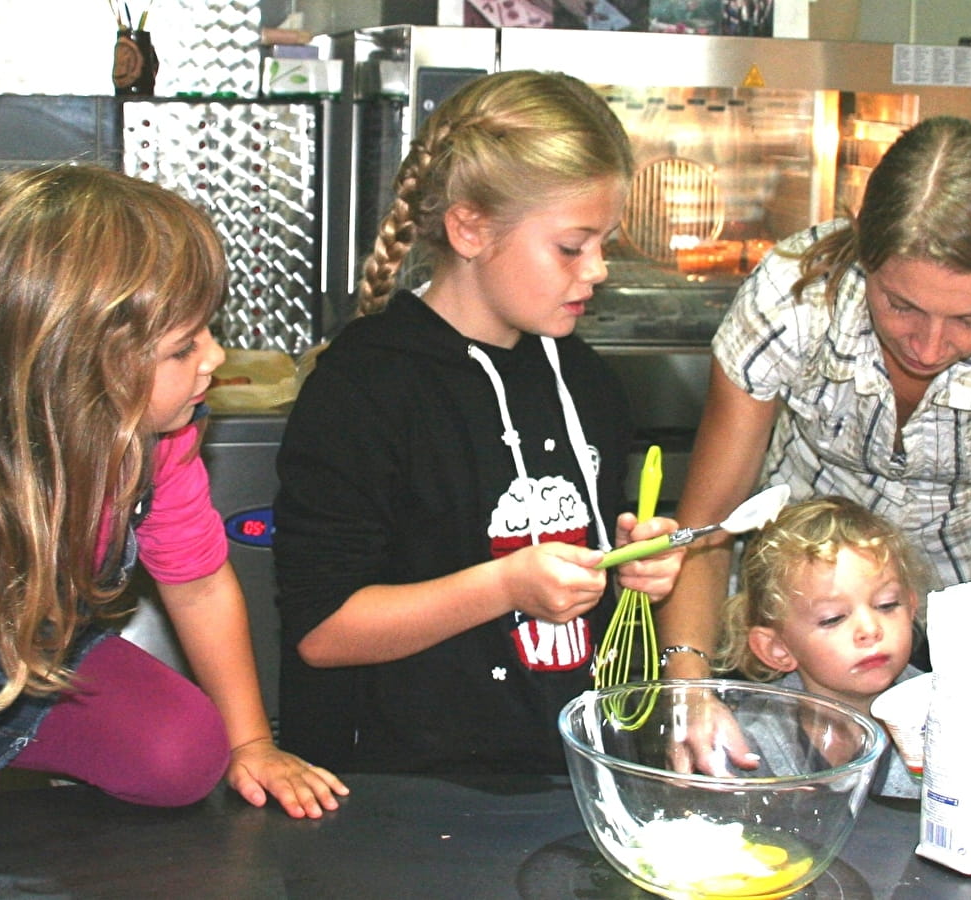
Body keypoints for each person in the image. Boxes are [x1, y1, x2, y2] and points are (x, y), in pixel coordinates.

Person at [272, 70, 683, 776]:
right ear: (468, 228)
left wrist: (631, 561)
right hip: (396, 790)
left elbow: (589, 553)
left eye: (603, 243)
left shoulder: (583, 379)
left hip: (565, 767)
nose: (599, 271)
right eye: (571, 246)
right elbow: (321, 631)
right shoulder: (364, 387)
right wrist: (503, 586)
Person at [0, 165, 346, 816]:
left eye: (208, 329)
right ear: (79, 366)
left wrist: (252, 742)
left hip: (39, 661)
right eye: (182, 348)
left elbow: (198, 584)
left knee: (185, 753)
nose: (214, 359)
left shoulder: (157, 437)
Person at [655, 115, 971, 689]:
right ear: (863, 252)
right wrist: (690, 687)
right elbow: (708, 525)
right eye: (901, 305)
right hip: (805, 628)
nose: (928, 346)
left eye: (970, 320)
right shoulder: (794, 297)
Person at [715, 497, 929, 797]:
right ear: (778, 648)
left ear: (911, 608)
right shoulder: (747, 746)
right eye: (833, 619)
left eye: (887, 605)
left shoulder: (950, 717)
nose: (869, 630)